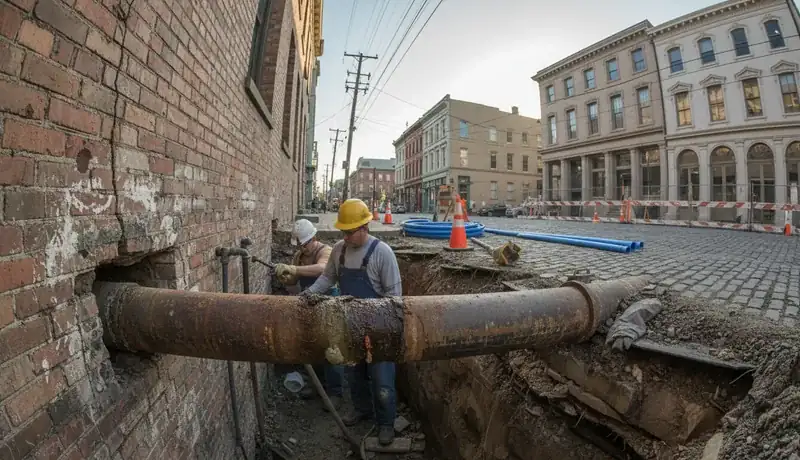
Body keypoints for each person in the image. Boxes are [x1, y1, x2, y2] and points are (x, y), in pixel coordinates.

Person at [302, 198, 402, 446]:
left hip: (380, 330)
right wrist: (309, 294)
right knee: (354, 374)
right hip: (350, 326)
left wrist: (389, 331)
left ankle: (386, 423)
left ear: (364, 228)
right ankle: (361, 410)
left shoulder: (382, 253)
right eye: (343, 232)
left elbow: (395, 298)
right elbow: (327, 278)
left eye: (349, 232)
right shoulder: (339, 250)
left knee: (382, 381)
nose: (345, 236)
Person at [275, 219, 344, 408]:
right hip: (309, 305)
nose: (303, 248)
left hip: (329, 304)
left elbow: (323, 269)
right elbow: (293, 283)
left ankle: (335, 392)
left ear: (314, 237)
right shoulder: (299, 256)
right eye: (300, 245)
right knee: (313, 346)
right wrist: (286, 277)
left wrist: (296, 269)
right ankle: (317, 386)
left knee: (331, 348)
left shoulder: (326, 251)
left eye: (305, 244)